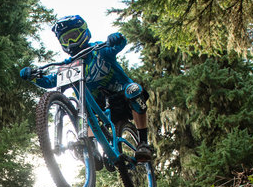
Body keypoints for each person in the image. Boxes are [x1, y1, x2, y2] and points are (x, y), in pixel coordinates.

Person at [20, 15, 154, 161]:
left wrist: (117, 38)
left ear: (84, 33)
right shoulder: (69, 65)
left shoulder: (100, 51)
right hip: (97, 106)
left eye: (74, 36)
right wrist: (33, 77)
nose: (71, 42)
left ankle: (143, 143)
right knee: (81, 110)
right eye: (66, 39)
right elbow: (50, 81)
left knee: (133, 90)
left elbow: (119, 45)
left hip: (121, 96)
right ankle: (91, 151)